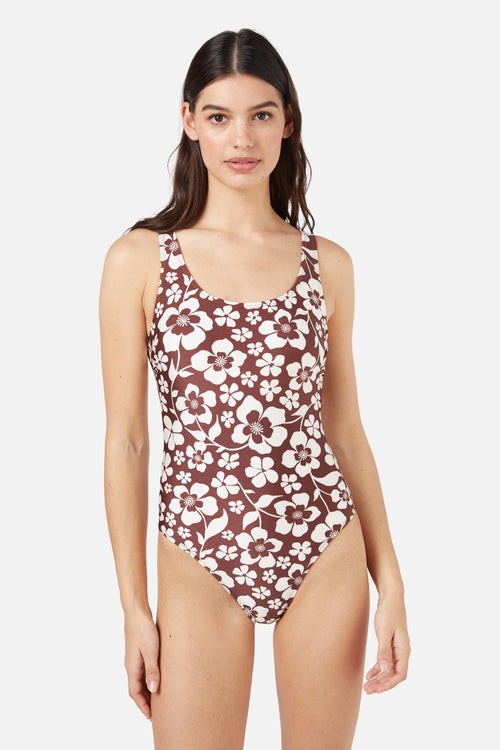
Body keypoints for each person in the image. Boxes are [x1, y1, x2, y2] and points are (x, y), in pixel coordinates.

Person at [99, 27, 410, 750]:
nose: (241, 138)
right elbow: (128, 441)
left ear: (287, 122)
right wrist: (133, 608)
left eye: (261, 114)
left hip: (322, 544)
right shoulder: (139, 260)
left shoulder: (328, 266)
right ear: (189, 121)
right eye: (219, 116)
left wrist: (391, 580)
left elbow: (346, 430)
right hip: (198, 551)